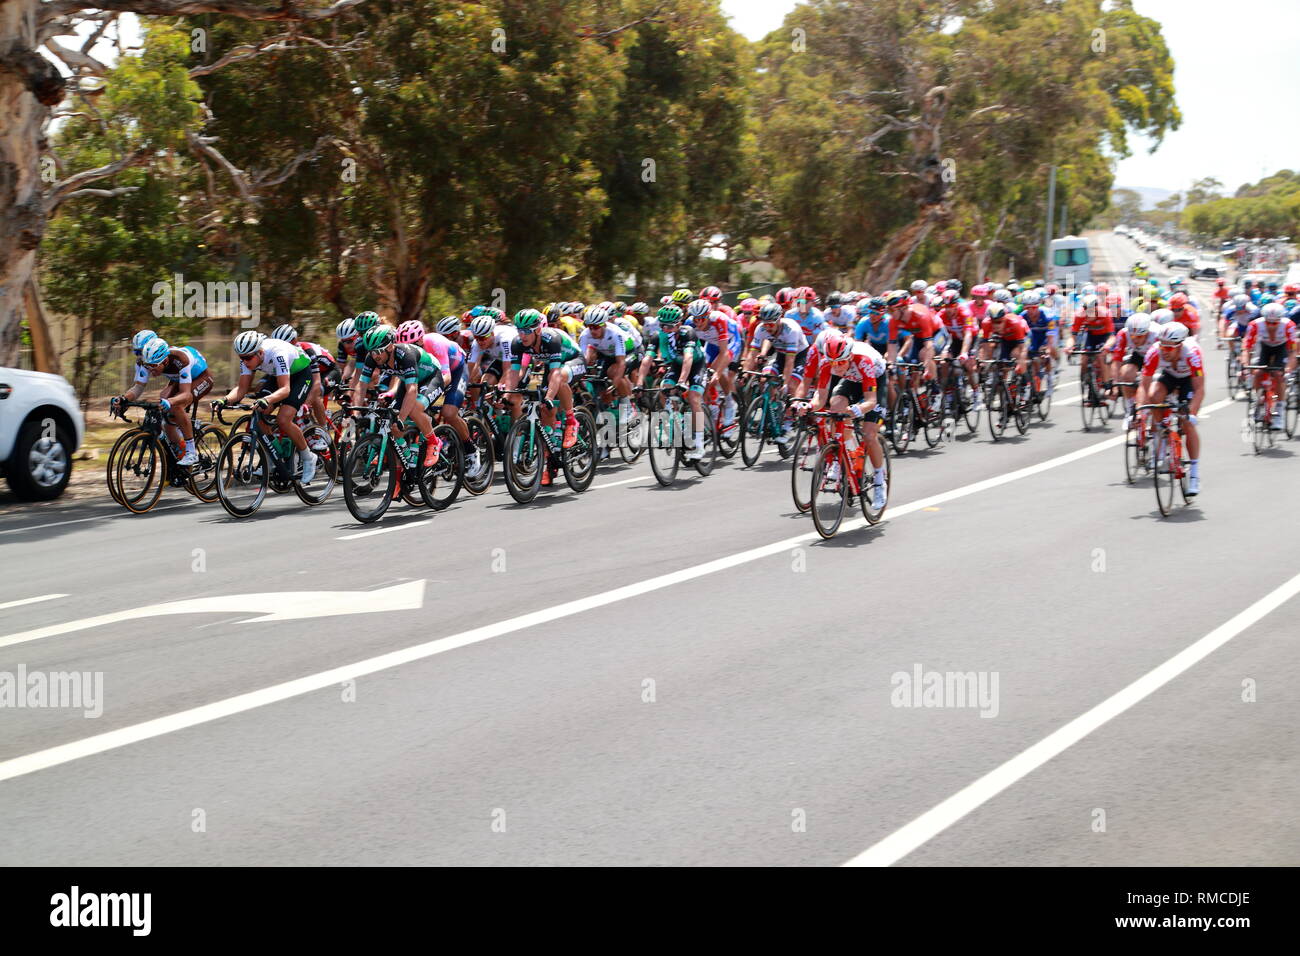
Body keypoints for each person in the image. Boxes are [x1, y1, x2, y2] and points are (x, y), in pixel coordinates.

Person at [219, 330, 318, 483]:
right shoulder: (248, 357)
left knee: (283, 419)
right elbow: (241, 390)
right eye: (241, 358)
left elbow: (285, 389)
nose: (245, 362)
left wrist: (267, 399)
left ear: (260, 352)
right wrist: (224, 400)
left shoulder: (277, 353)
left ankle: (308, 456)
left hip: (300, 375)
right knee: (259, 413)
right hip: (277, 375)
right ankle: (274, 456)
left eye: (248, 358)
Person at [113, 336, 213, 466]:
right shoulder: (148, 361)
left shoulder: (180, 359)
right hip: (180, 378)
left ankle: (191, 452)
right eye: (148, 366)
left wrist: (171, 402)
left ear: (165, 361)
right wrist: (124, 399)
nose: (151, 370)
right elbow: (138, 388)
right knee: (164, 401)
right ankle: (178, 444)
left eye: (154, 366)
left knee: (176, 405)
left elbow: (186, 394)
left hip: (201, 378)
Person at [1136, 322, 1205, 495]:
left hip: (1189, 380)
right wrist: (1141, 411)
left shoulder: (1192, 353)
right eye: (1162, 347)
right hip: (1169, 376)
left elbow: (1199, 389)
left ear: (1180, 345)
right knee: (1154, 395)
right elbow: (1144, 386)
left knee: (1187, 424)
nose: (1164, 351)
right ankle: (1162, 435)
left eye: (1169, 348)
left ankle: (1195, 474)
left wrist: (1192, 414)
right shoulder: (1154, 352)